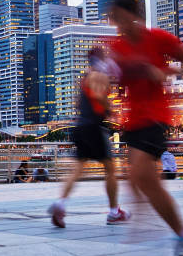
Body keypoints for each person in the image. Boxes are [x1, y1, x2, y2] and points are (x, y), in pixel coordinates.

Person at [107, 0, 183, 256]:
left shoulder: (158, 38)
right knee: (140, 181)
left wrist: (165, 71)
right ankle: (177, 233)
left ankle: (170, 233)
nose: (116, 23)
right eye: (113, 18)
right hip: (133, 121)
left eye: (119, 17)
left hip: (156, 116)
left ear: (133, 15)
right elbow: (114, 77)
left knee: (141, 177)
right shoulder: (118, 46)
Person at [49, 47, 129, 228]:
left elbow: (78, 103)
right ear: (101, 58)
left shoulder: (85, 77)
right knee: (110, 169)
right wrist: (111, 110)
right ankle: (114, 212)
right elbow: (99, 96)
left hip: (81, 126)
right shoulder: (99, 75)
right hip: (94, 126)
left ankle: (60, 204)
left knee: (77, 169)